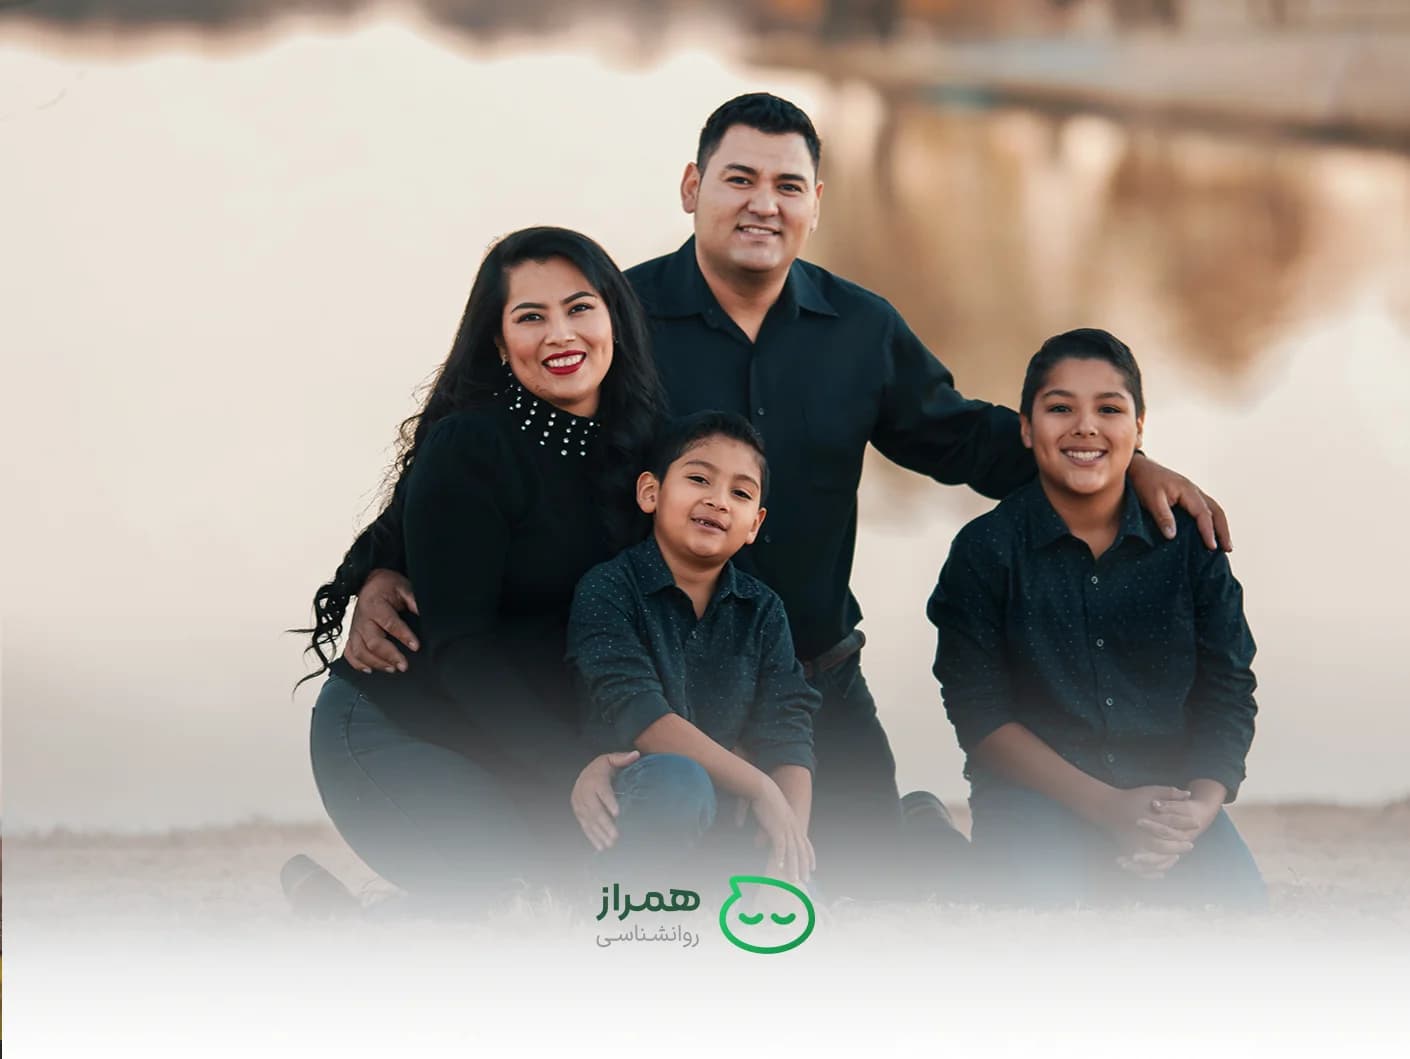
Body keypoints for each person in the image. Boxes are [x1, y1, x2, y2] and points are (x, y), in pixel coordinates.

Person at [344, 94, 1233, 896]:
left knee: (884, 875)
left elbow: (964, 437)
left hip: (811, 674)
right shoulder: (620, 316)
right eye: (738, 178)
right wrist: (387, 566)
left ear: (815, 204)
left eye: (787, 184)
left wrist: (1121, 465)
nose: (762, 203)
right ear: (692, 187)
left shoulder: (862, 328)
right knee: (689, 879)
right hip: (665, 677)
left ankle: (901, 825)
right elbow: (493, 435)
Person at [291, 226, 668, 914]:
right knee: (520, 902)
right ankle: (348, 921)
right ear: (498, 343)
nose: (561, 334)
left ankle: (348, 910)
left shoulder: (643, 445)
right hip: (397, 727)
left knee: (599, 896)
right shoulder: (473, 446)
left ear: (614, 314)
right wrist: (572, 769)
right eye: (531, 316)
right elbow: (463, 651)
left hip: (513, 732)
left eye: (580, 307)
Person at [927, 329, 1264, 908]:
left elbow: (1229, 686)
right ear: (1028, 429)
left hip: (1164, 794)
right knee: (1043, 912)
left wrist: (1199, 807)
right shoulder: (985, 551)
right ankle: (929, 835)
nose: (1085, 426)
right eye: (1060, 408)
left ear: (1138, 429)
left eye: (1109, 409)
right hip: (1036, 795)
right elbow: (979, 715)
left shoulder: (1189, 545)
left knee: (1239, 908)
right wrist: (1109, 808)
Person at [566, 412, 820, 886]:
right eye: (699, 478)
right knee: (681, 783)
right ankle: (619, 893)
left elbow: (787, 729)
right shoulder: (608, 589)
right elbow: (640, 715)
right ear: (651, 492)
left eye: (740, 493)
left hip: (732, 810)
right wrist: (760, 787)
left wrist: (788, 845)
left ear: (754, 524)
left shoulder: (763, 610)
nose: (717, 500)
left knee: (813, 850)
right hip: (635, 801)